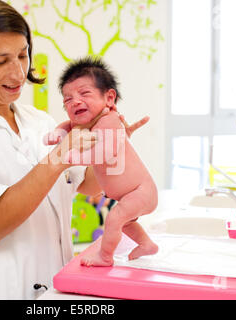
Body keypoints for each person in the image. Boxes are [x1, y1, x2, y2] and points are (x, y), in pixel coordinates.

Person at [0, 0, 149, 299]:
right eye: (1, 61)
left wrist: (115, 148)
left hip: (51, 290)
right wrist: (57, 158)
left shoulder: (38, 121)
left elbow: (86, 183)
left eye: (23, 55)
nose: (18, 72)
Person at [45, 57, 159, 267]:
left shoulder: (110, 121)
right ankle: (146, 244)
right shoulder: (85, 123)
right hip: (129, 194)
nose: (75, 102)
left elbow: (104, 153)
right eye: (67, 100)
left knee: (114, 219)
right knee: (124, 222)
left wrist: (76, 156)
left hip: (141, 191)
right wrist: (57, 134)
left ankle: (105, 257)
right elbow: (67, 126)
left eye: (84, 93)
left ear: (109, 98)